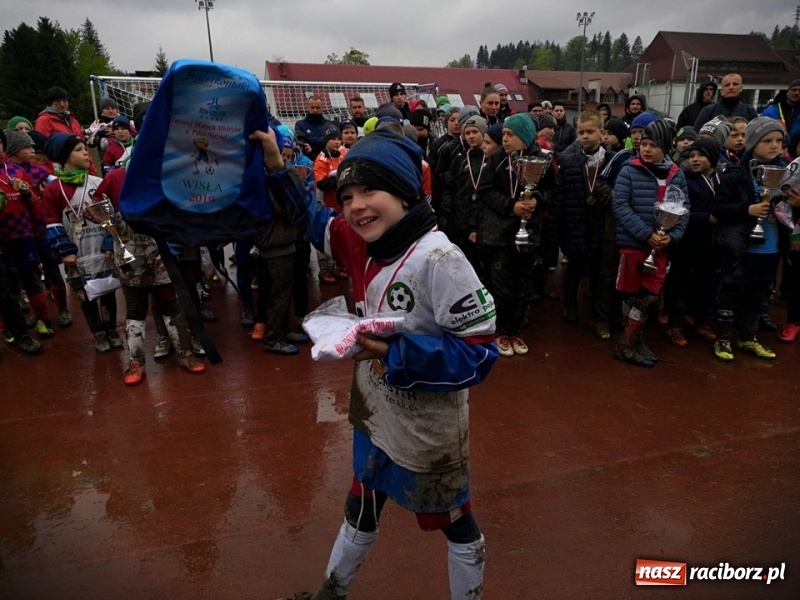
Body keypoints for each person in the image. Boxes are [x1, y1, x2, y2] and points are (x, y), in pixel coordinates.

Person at [252, 127, 498, 600]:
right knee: (360, 503)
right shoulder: (361, 241)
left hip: (428, 429)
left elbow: (480, 353)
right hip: (375, 411)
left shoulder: (441, 259)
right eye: (346, 196)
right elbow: (311, 219)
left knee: (455, 522)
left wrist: (392, 352)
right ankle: (331, 592)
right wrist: (275, 166)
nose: (355, 205)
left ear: (407, 192)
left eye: (370, 189)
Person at [95, 167, 207, 384]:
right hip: (128, 256)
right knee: (135, 310)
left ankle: (184, 352)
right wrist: (108, 240)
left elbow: (177, 215)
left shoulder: (164, 173)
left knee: (171, 305)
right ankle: (136, 361)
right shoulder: (116, 177)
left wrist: (172, 248)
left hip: (160, 256)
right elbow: (98, 212)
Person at [612, 119, 689, 366]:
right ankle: (627, 343)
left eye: (653, 145)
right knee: (631, 296)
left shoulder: (676, 174)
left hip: (660, 249)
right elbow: (620, 206)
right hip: (634, 245)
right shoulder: (628, 170)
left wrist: (672, 237)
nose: (646, 149)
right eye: (643, 144)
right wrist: (646, 234)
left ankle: (634, 339)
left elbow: (684, 209)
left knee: (649, 297)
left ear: (665, 147)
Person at [711, 117, 788, 361]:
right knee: (731, 295)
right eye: (767, 141)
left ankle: (748, 336)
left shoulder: (786, 174)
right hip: (741, 248)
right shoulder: (736, 173)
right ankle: (722, 338)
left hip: (771, 247)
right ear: (753, 142)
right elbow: (719, 208)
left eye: (778, 140)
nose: (774, 146)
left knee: (758, 296)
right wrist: (748, 209)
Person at [477, 113, 554, 356]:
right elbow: (484, 191)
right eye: (504, 135)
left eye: (511, 134)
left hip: (528, 233)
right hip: (500, 234)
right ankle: (501, 332)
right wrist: (512, 206)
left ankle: (516, 332)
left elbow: (553, 192)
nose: (505, 139)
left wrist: (536, 202)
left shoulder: (543, 160)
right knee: (503, 287)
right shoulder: (497, 158)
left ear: (525, 135)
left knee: (523, 286)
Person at [41, 133, 123, 352]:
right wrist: (65, 251)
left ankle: (111, 329)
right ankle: (97, 333)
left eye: (85, 148)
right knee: (85, 295)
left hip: (102, 250)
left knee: (108, 290)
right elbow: (51, 222)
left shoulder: (98, 183)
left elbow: (111, 215)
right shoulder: (53, 190)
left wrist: (109, 242)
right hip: (76, 254)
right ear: (64, 157)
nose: (86, 153)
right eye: (78, 150)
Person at [551, 110, 616, 331]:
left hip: (600, 224)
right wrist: (558, 231)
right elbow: (559, 198)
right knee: (574, 270)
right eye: (581, 132)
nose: (585, 136)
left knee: (599, 273)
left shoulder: (612, 161)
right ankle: (570, 306)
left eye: (590, 131)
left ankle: (600, 314)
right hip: (574, 224)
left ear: (602, 132)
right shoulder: (568, 163)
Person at [662, 138, 722, 346]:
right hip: (687, 242)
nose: (695, 159)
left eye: (701, 155)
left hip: (712, 243)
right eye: (692, 155)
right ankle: (674, 325)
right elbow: (680, 210)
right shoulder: (685, 179)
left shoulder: (722, 179)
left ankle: (700, 322)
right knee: (680, 284)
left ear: (713, 157)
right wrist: (707, 217)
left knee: (705, 285)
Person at [0, 129, 55, 340]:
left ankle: (43, 319)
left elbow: (35, 205)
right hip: (2, 240)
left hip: (23, 234)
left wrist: (26, 194)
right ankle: (9, 326)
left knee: (31, 278)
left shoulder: (16, 171)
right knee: (6, 286)